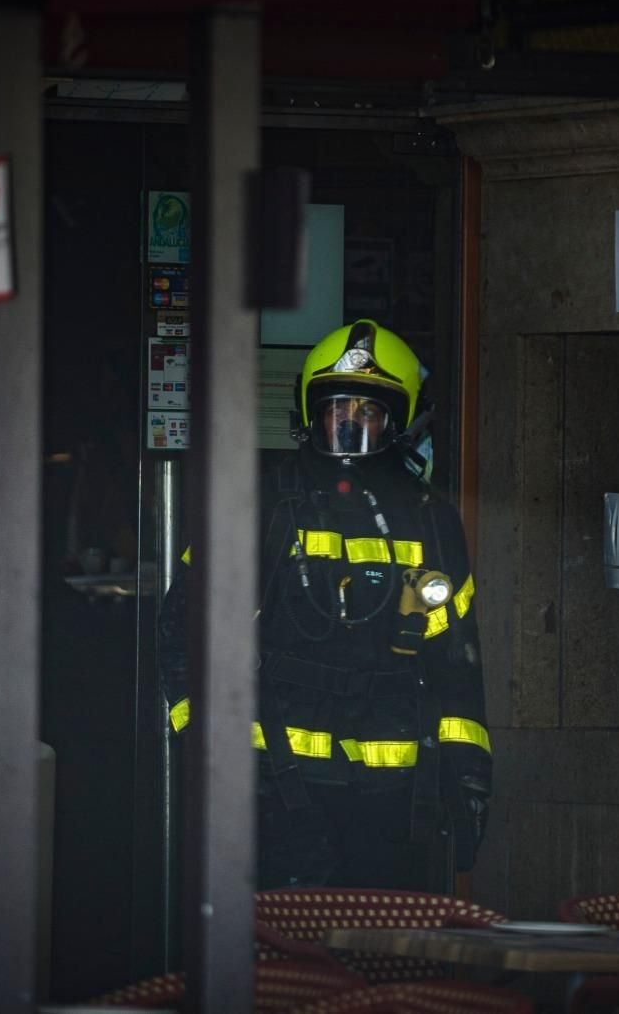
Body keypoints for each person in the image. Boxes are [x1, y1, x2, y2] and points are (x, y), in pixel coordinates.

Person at [157, 319, 491, 891]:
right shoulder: (258, 507)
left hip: (393, 802)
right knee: (278, 943)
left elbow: (456, 667)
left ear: (399, 421)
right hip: (271, 787)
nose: (350, 425)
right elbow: (183, 633)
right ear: (312, 414)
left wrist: (469, 777)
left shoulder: (431, 521)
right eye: (337, 409)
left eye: (368, 412)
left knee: (383, 940)